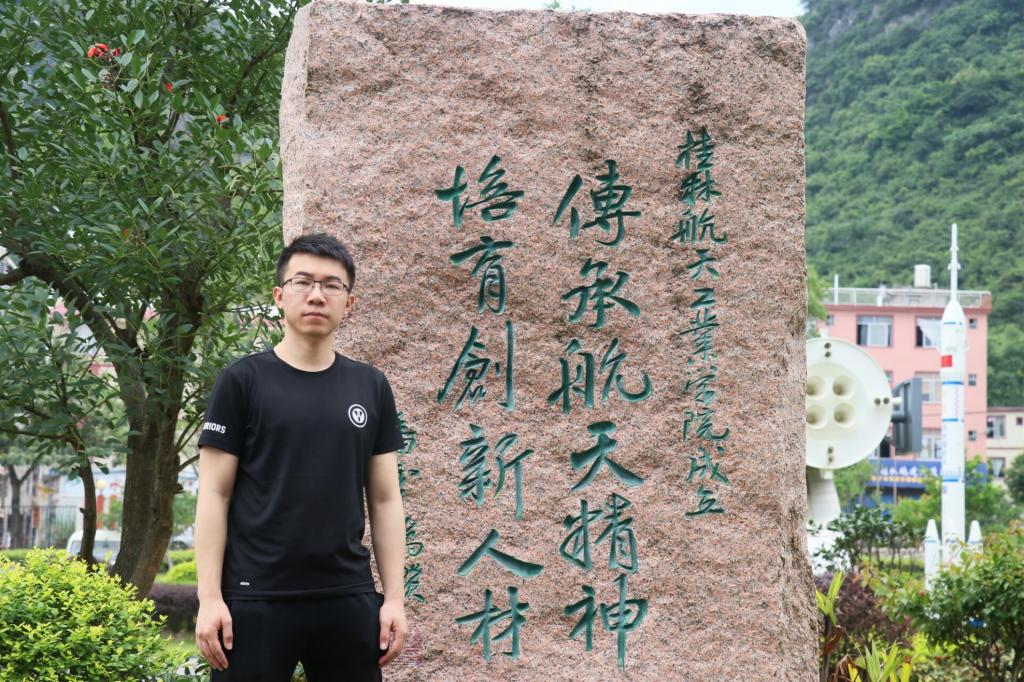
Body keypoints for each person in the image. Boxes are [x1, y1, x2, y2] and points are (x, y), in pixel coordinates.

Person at [194, 233, 408, 681]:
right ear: (279, 295)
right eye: (303, 282)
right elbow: (214, 494)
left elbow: (386, 499)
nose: (316, 295)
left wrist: (394, 599)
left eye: (332, 285)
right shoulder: (241, 382)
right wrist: (209, 598)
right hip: (253, 599)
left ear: (349, 303)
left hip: (347, 596)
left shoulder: (370, 386)